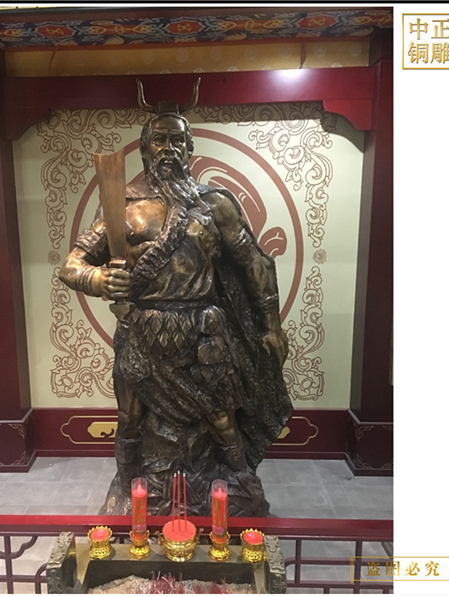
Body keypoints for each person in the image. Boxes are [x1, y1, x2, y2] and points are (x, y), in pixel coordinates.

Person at [59, 86, 292, 516]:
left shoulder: (214, 204)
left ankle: (240, 481)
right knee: (130, 417)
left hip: (202, 329)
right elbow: (72, 264)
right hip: (142, 329)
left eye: (177, 140)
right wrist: (98, 278)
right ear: (145, 149)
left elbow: (254, 264)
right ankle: (126, 484)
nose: (169, 148)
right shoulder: (122, 206)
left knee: (221, 416)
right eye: (160, 140)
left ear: (190, 148)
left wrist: (270, 325)